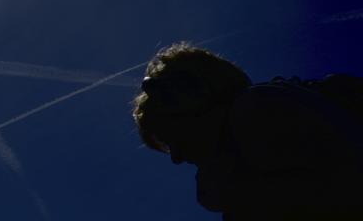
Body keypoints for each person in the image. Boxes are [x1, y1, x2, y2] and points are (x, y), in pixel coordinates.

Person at [132, 42, 363, 220]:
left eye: (170, 138)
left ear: (190, 98)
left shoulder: (257, 111)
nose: (177, 157)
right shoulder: (241, 161)